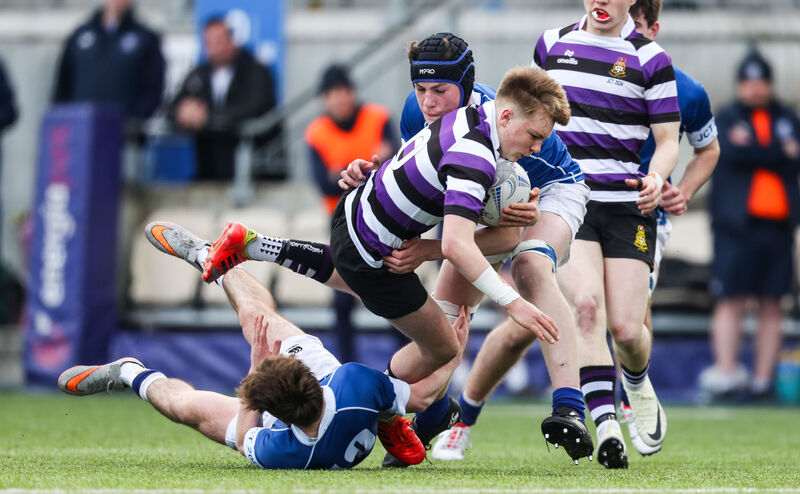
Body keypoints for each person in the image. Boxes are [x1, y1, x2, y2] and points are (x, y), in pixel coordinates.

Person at [200, 65, 568, 464]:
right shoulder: (476, 155)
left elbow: (474, 228)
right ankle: (391, 415)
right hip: (377, 250)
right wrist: (513, 302)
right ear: (508, 116)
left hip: (353, 214)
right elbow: (457, 244)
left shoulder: (466, 118)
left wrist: (496, 222)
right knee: (444, 345)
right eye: (534, 137)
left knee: (353, 278)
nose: (535, 149)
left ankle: (256, 245)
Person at [345, 32, 592, 466]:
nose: (429, 102)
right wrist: (371, 178)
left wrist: (428, 249)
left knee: (532, 267)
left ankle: (569, 407)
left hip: (550, 192)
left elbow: (505, 233)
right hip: (482, 211)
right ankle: (433, 415)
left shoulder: (503, 120)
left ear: (467, 86)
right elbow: (421, 181)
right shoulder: (415, 114)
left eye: (441, 90)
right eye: (420, 89)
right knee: (443, 332)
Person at [58, 221, 471, 469]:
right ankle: (208, 256)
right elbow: (421, 394)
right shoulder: (349, 384)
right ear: (312, 377)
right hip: (337, 403)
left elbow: (244, 440)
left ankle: (129, 372)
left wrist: (256, 370)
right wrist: (450, 350)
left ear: (271, 410)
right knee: (261, 319)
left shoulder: (284, 452)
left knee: (185, 408)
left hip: (281, 419)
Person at [534, 0, 681, 468]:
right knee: (585, 307)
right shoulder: (552, 45)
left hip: (628, 207)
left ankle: (637, 381)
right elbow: (533, 122)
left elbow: (668, 141)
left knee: (626, 329)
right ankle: (608, 426)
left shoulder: (651, 59)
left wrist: (657, 178)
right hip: (570, 202)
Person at [619, 0, 720, 455]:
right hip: (582, 209)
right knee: (584, 306)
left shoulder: (685, 90)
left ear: (653, 28)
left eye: (635, 26)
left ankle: (632, 393)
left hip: (641, 214)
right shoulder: (583, 69)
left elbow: (708, 149)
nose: (626, 36)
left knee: (632, 312)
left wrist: (683, 190)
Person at [702, 47, 800, 401]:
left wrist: (761, 149)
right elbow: (733, 152)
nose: (756, 88)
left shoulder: (787, 116)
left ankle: (762, 380)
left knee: (773, 302)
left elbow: (795, 158)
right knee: (731, 300)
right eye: (749, 82)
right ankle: (726, 374)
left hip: (778, 227)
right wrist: (777, 150)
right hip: (735, 227)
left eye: (762, 82)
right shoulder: (726, 117)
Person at [305, 63, 398, 362]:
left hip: (380, 219)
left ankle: (410, 361)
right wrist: (367, 168)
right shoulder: (317, 133)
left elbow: (393, 166)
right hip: (342, 225)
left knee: (394, 294)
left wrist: (342, 173)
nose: (340, 98)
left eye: (344, 91)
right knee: (343, 301)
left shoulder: (378, 118)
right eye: (333, 93)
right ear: (324, 99)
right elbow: (324, 184)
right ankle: (347, 367)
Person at [168, 16, 280, 181]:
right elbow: (172, 106)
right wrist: (183, 111)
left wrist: (209, 118)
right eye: (209, 43)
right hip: (208, 171)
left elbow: (258, 106)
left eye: (219, 41)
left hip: (251, 174)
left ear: (232, 40)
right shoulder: (199, 75)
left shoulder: (256, 71)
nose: (214, 49)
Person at [52, 0, 165, 121]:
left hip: (124, 132)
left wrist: (134, 119)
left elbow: (154, 88)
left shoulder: (146, 38)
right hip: (81, 127)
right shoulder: (80, 35)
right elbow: (63, 84)